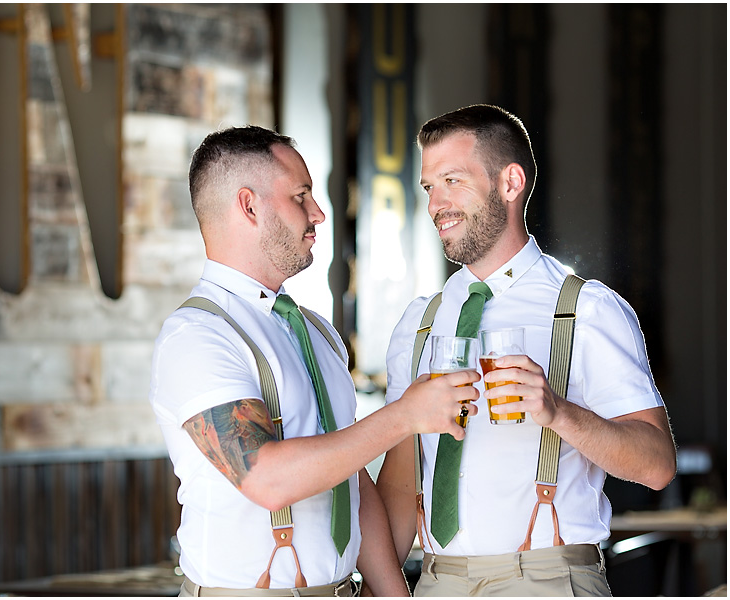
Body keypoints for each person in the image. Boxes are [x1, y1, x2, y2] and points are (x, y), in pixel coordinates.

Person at [149, 125, 481, 597]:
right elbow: (265, 478)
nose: (319, 214)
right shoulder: (196, 335)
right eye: (301, 196)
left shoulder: (317, 332)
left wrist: (391, 593)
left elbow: (349, 477)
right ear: (249, 206)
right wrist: (406, 415)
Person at [376, 104, 677, 596]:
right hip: (435, 581)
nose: (436, 204)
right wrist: (384, 588)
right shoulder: (418, 322)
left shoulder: (587, 309)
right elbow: (401, 475)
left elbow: (657, 464)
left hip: (547, 579)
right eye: (429, 187)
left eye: (452, 180)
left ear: (510, 183)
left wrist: (557, 411)